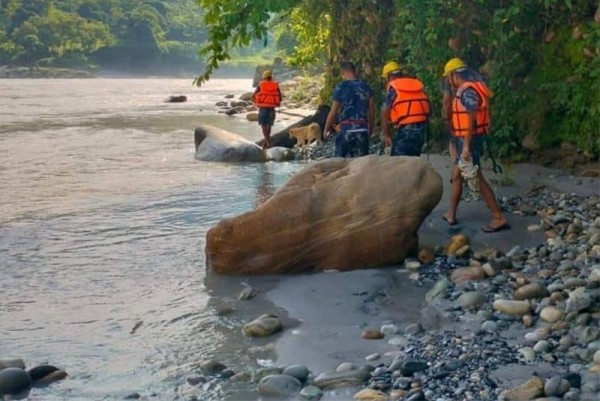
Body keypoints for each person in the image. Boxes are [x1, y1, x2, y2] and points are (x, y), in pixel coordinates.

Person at [442, 63, 509, 233]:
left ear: (454, 75)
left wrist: (465, 146)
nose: (448, 82)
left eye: (448, 77)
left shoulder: (468, 91)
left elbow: (471, 118)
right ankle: (451, 213)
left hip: (468, 141)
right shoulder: (467, 89)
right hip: (465, 139)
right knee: (457, 174)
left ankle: (498, 217)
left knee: (476, 176)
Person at [323, 62, 375, 157]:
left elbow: (333, 112)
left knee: (343, 166)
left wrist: (326, 129)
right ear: (355, 71)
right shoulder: (366, 87)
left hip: (346, 131)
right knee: (361, 165)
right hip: (362, 130)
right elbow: (371, 112)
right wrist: (370, 129)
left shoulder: (340, 87)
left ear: (343, 73)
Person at [380, 62, 430, 156]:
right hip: (422, 129)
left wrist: (386, 134)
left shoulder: (394, 88)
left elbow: (384, 110)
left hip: (407, 130)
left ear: (388, 76)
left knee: (398, 161)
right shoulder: (415, 85)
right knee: (413, 159)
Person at [253, 69, 282, 149]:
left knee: (263, 125)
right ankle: (266, 142)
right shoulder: (275, 85)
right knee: (269, 125)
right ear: (271, 77)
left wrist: (257, 102)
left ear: (264, 77)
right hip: (272, 108)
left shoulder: (261, 85)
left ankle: (268, 142)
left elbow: (253, 96)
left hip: (263, 108)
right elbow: (280, 98)